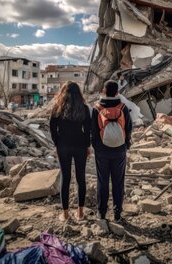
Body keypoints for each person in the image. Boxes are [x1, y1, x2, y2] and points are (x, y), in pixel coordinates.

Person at [49, 81, 91, 222]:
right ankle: (80, 213)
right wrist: (87, 146)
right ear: (78, 94)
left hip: (63, 146)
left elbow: (52, 129)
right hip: (80, 145)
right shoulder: (84, 108)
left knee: (65, 178)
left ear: (63, 93)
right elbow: (88, 130)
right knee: (81, 178)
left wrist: (57, 143)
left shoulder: (57, 108)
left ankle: (66, 214)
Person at [92, 80, 132, 221]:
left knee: (102, 181)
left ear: (103, 91)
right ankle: (117, 213)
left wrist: (97, 146)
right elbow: (128, 129)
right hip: (119, 150)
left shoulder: (96, 108)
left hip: (102, 151)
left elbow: (93, 131)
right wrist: (126, 145)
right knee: (118, 182)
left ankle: (101, 213)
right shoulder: (123, 107)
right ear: (116, 92)